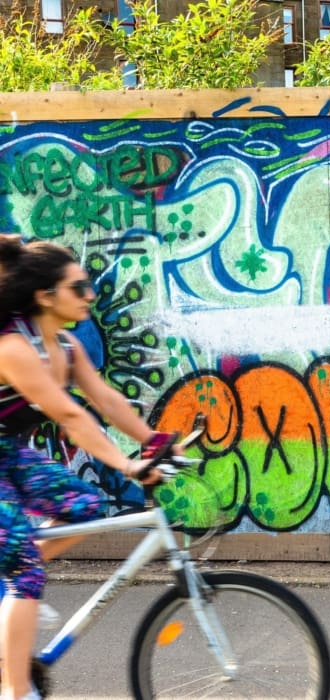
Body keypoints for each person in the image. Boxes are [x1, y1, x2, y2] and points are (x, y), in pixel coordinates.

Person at [0, 235, 176, 700]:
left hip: (9, 452)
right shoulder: (14, 347)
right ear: (46, 296)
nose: (90, 295)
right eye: (79, 287)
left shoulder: (66, 347)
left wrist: (154, 442)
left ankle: (10, 595)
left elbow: (105, 400)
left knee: (89, 505)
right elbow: (70, 415)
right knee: (26, 570)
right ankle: (16, 692)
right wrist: (125, 463)